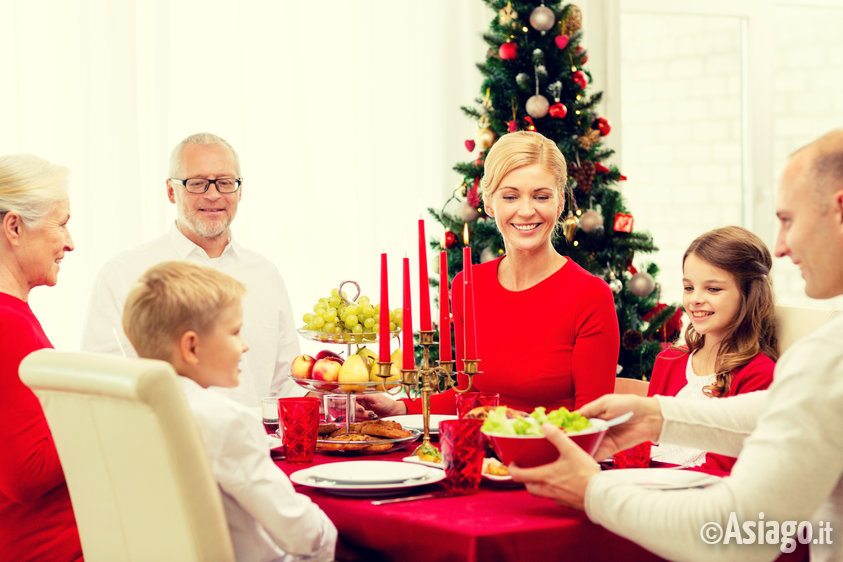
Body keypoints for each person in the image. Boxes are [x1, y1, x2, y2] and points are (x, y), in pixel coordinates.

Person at [508, 129, 843, 562]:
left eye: (787, 219)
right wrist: (658, 415)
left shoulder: (827, 356)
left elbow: (738, 533)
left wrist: (592, 490)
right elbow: (791, 410)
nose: (779, 247)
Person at [361, 131, 619, 416]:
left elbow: (594, 422)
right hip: (480, 457)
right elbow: (469, 396)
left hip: (556, 458)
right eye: (510, 196)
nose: (526, 210)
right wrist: (399, 407)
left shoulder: (590, 295)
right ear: (488, 203)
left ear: (560, 203)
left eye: (541, 196)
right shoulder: (467, 285)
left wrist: (518, 426)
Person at [122, 260, 337, 561]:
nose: (245, 346)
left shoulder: (128, 412)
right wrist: (333, 537)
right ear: (192, 348)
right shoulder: (226, 421)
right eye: (235, 332)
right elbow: (302, 534)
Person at [82, 132, 305, 408]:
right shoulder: (123, 273)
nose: (213, 195)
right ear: (170, 190)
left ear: (240, 190)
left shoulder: (265, 274)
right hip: (165, 448)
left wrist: (337, 402)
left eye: (225, 183)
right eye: (197, 183)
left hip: (257, 447)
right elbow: (102, 381)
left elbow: (285, 381)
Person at [0, 154, 82, 560]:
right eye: (62, 222)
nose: (70, 242)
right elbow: (26, 473)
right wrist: (97, 409)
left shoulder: (14, 316)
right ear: (14, 227)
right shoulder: (7, 324)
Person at [646, 226, 777, 472]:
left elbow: (726, 471)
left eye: (713, 289)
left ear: (749, 295)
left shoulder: (759, 374)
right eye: (688, 287)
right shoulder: (668, 359)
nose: (694, 299)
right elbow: (644, 445)